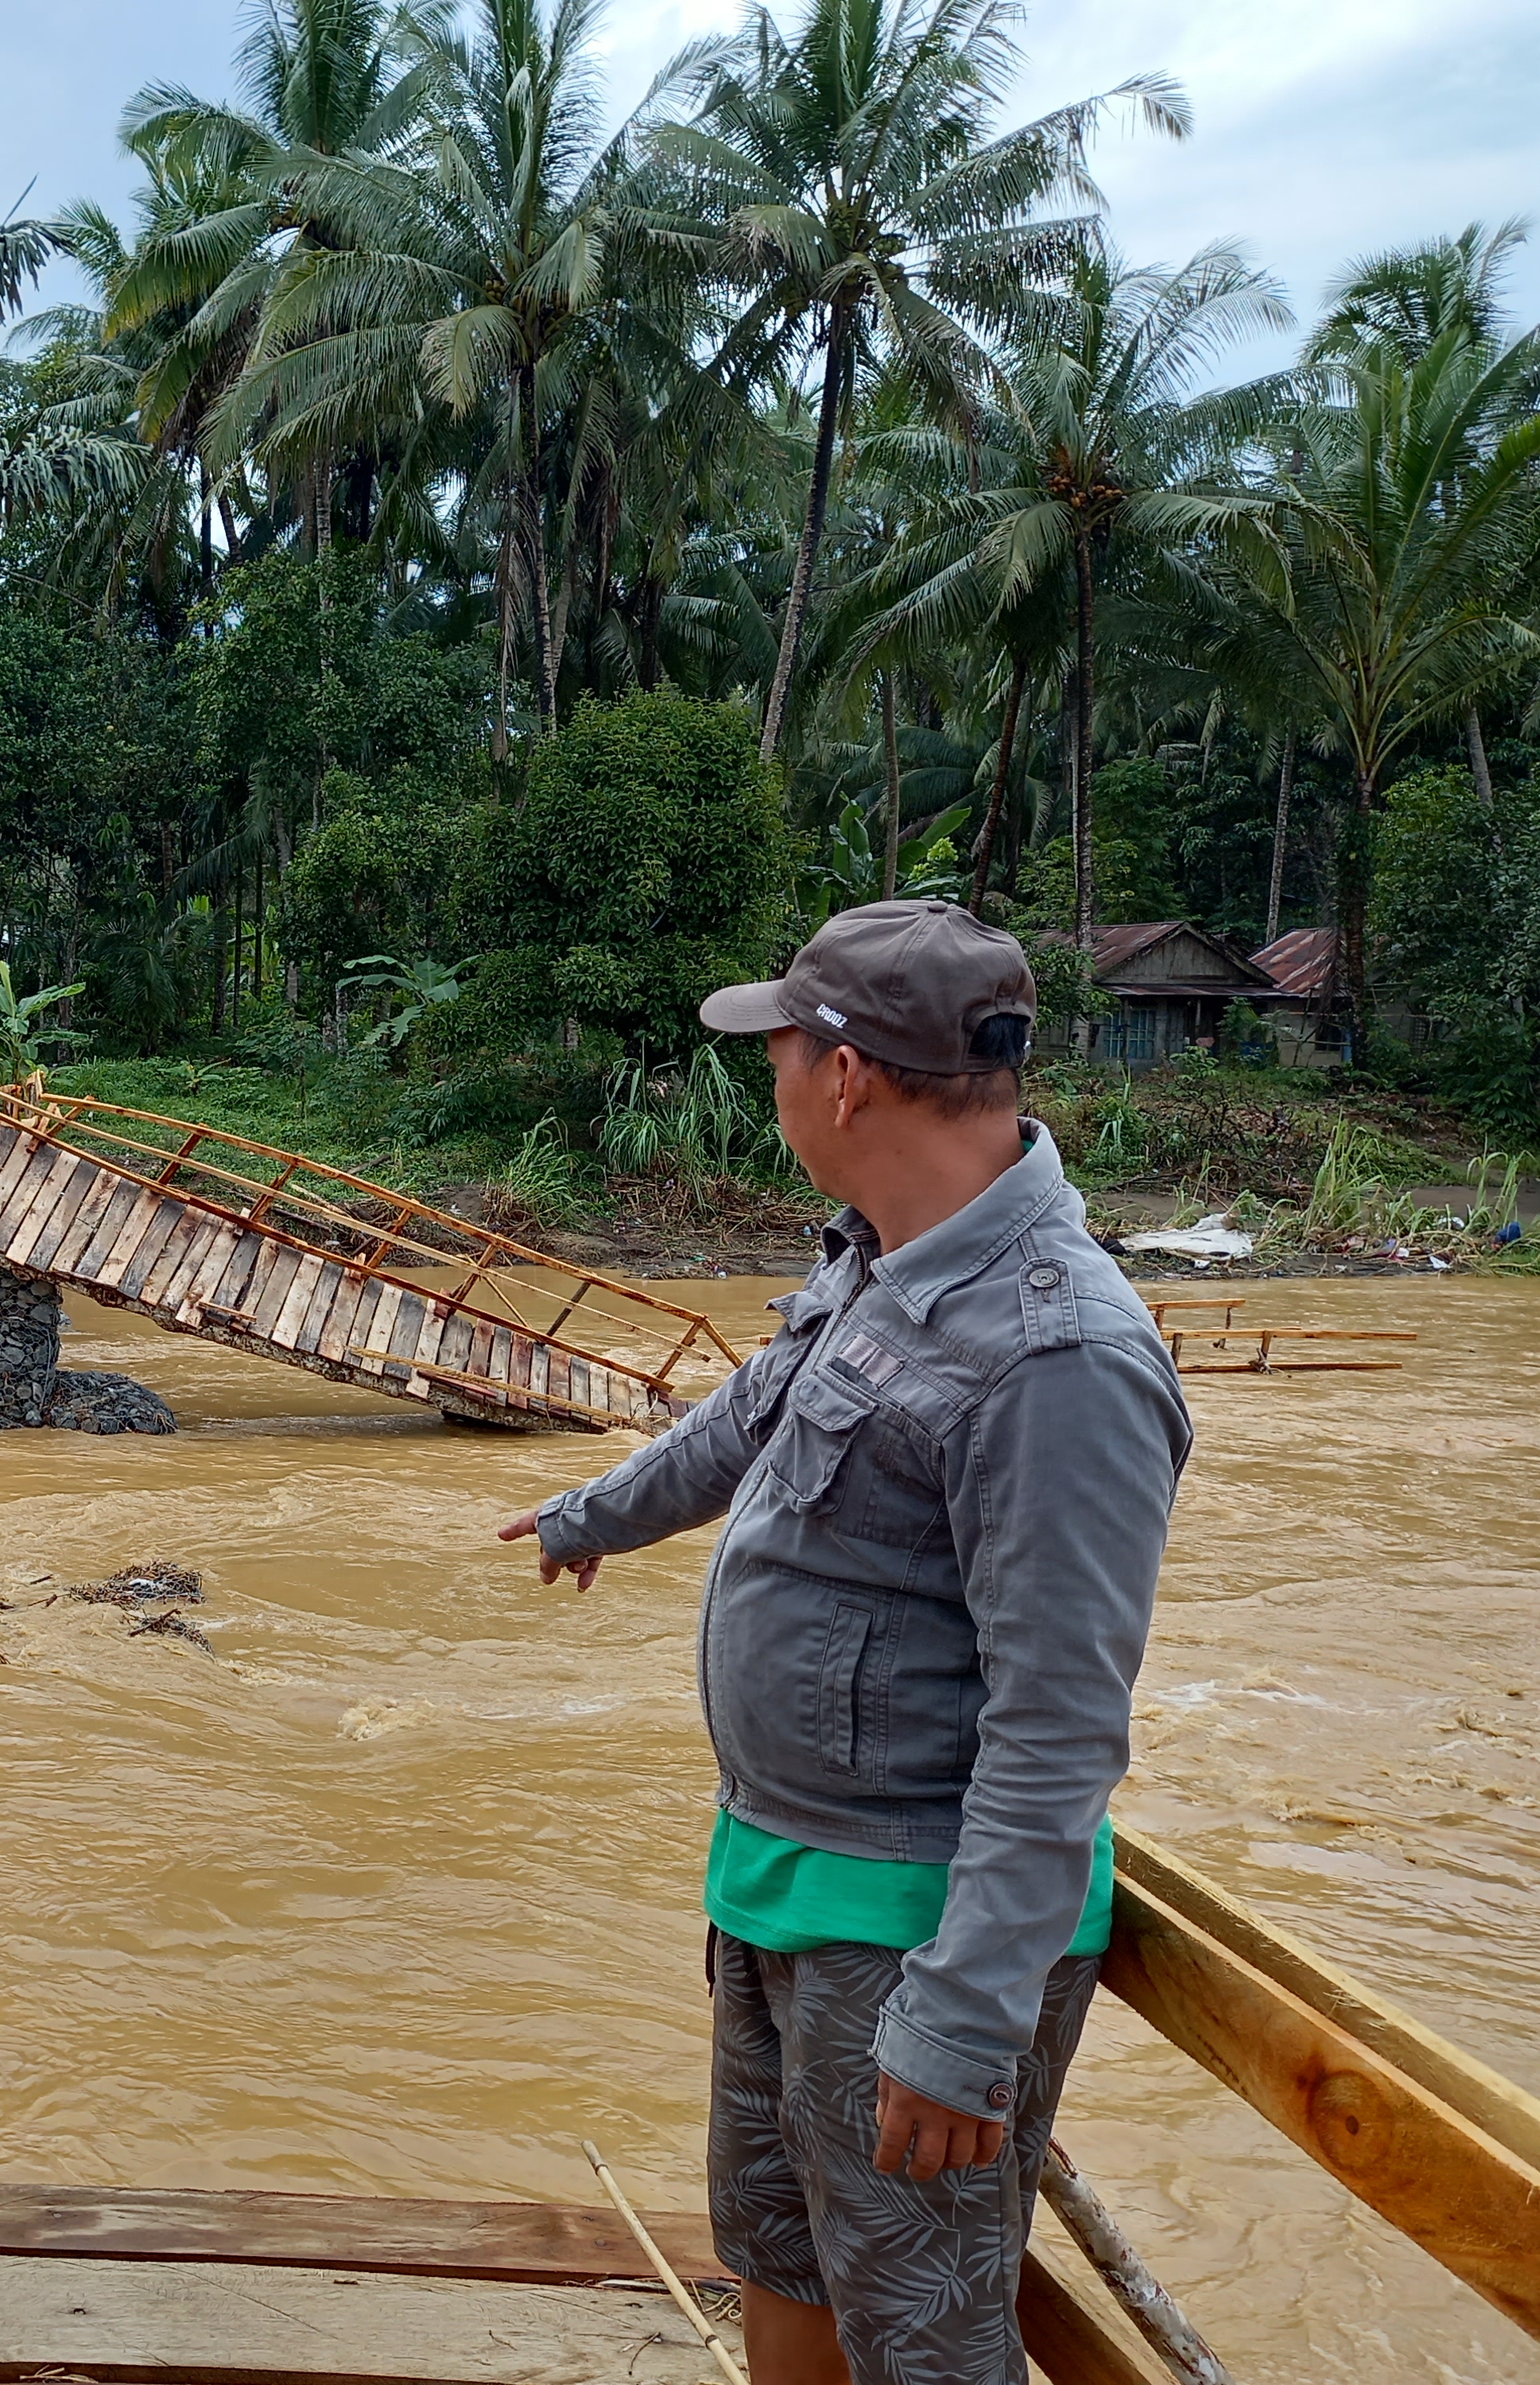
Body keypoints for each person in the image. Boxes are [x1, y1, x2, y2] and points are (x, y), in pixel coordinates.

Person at [497, 901, 1189, 2385]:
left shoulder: (1058, 1356)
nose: (774, 1077)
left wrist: (963, 2019)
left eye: (782, 1047)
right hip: (783, 1879)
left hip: (915, 1934)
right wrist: (593, 1515)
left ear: (850, 1076)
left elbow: (1060, 1721)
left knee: (923, 2338)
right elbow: (750, 1417)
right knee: (782, 2254)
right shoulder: (882, 1262)